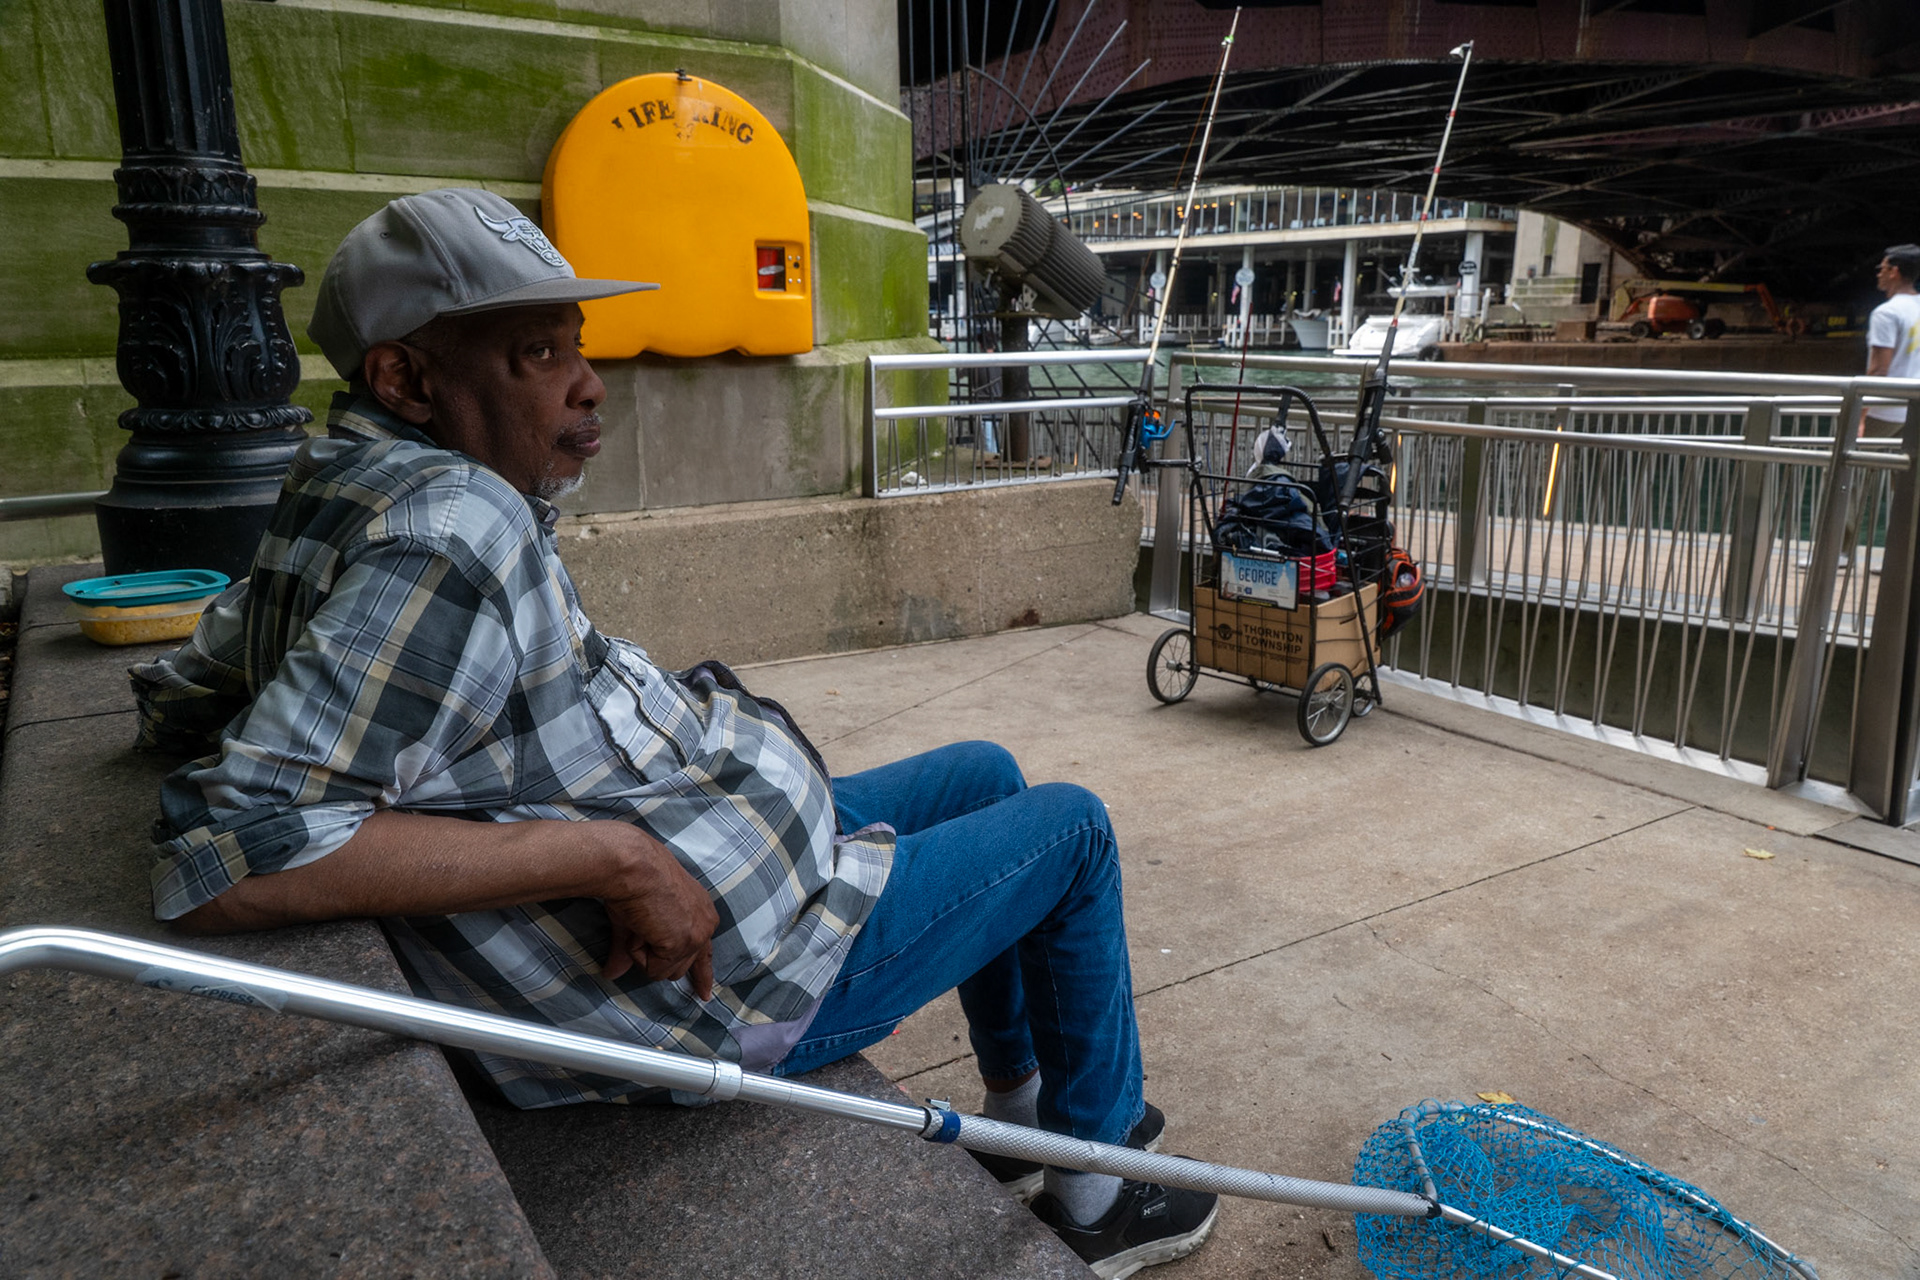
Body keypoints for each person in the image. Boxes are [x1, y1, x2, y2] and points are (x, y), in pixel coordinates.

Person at [130, 188, 1216, 1277]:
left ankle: (1022, 1114)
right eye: (538, 354)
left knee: (986, 769)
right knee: (1073, 831)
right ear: (406, 379)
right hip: (743, 979)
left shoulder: (343, 483)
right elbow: (235, 854)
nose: (589, 383)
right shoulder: (450, 536)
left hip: (740, 852)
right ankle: (1097, 1189)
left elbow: (202, 678)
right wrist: (613, 854)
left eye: (578, 345)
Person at [1863, 243, 1920, 435]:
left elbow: (1879, 370)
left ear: (1894, 271)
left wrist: (1860, 415)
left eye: (1882, 268)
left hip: (1885, 410)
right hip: (1914, 408)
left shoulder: (1886, 313)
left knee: (1846, 460)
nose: (1879, 274)